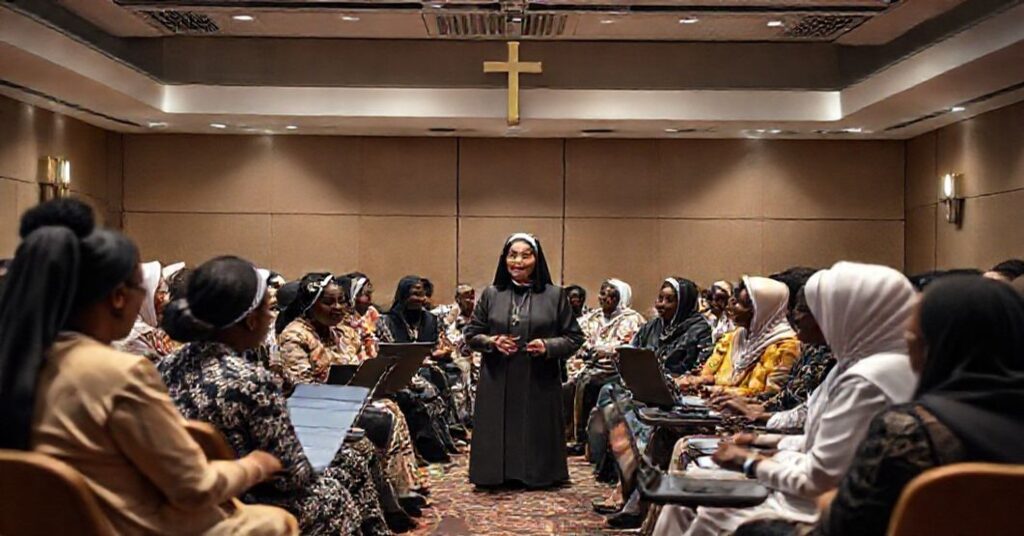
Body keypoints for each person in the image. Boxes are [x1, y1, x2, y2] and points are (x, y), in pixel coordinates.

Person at [0, 199, 296, 535]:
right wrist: (255, 465)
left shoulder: (22, 360)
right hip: (127, 527)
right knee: (276, 521)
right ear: (118, 297)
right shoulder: (119, 373)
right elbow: (194, 488)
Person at [653, 261, 919, 535]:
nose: (796, 317)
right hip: (805, 481)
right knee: (686, 494)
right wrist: (762, 441)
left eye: (814, 309)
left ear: (848, 314)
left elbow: (818, 478)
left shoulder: (867, 379)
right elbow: (818, 437)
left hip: (819, 508)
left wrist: (750, 461)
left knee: (706, 508)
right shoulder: (853, 363)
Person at [158, 256, 384, 535]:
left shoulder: (165, 366)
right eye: (269, 309)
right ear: (251, 320)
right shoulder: (250, 380)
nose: (272, 318)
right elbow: (292, 476)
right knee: (337, 489)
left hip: (189, 490)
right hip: (245, 495)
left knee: (349, 460)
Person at [465, 233, 585, 488]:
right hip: (498, 376)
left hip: (539, 377)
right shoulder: (491, 294)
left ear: (536, 260)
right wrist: (492, 342)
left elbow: (574, 337)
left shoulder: (555, 296)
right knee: (498, 426)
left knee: (535, 426)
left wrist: (548, 346)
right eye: (512, 255)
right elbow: (472, 334)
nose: (518, 261)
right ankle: (495, 474)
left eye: (525, 256)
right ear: (504, 259)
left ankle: (538, 473)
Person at [676, 276, 799, 397]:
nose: (732, 306)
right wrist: (701, 380)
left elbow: (770, 396)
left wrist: (721, 391)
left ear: (761, 311)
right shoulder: (733, 337)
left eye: (741, 303)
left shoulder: (785, 348)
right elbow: (711, 372)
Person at [567, 279, 646, 452]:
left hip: (614, 369)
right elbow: (578, 339)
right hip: (588, 362)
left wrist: (602, 350)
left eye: (611, 296)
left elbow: (626, 347)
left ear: (621, 298)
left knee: (587, 381)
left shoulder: (632, 319)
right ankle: (567, 435)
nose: (604, 299)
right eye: (602, 294)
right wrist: (590, 351)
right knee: (567, 379)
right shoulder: (591, 318)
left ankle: (583, 439)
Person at [115, 260, 177, 363]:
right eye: (158, 289)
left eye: (163, 289)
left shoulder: (137, 324)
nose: (163, 297)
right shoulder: (133, 333)